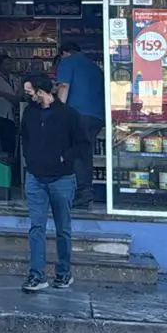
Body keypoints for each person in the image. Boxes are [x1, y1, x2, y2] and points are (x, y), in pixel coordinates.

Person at [19, 75, 91, 293]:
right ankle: (36, 275)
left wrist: (65, 158)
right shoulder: (30, 113)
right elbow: (24, 138)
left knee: (63, 229)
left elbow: (83, 144)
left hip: (62, 178)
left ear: (41, 91)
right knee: (36, 227)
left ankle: (63, 272)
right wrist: (30, 160)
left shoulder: (69, 115)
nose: (27, 94)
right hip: (35, 177)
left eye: (30, 91)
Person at [55, 41, 105, 209]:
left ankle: (81, 193)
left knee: (75, 154)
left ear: (65, 53)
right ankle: (86, 192)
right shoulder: (94, 68)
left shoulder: (67, 62)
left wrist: (58, 111)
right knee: (85, 154)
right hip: (96, 117)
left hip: (77, 115)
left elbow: (63, 86)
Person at [0, 54, 22, 155]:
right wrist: (6, 96)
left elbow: (19, 94)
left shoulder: (15, 79)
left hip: (11, 115)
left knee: (9, 143)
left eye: (10, 64)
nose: (8, 66)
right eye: (6, 64)